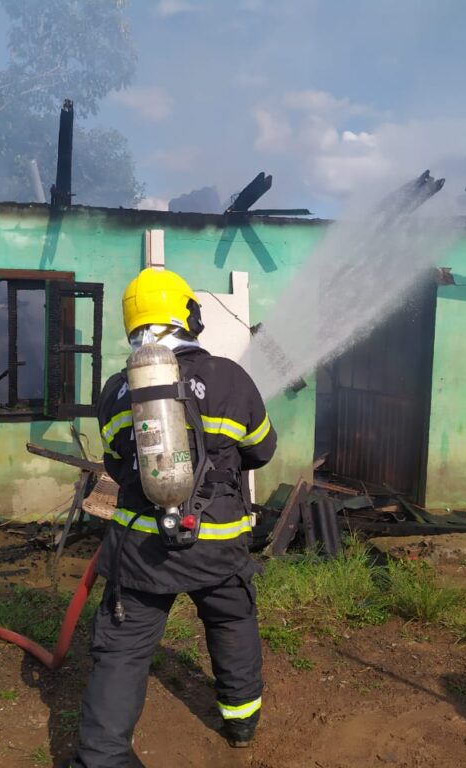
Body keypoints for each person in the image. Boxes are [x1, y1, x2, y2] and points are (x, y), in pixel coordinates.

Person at [66, 267, 277, 768]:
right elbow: (262, 449)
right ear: (188, 315)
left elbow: (118, 464)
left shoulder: (118, 390)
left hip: (141, 552)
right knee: (231, 620)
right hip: (218, 544)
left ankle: (101, 758)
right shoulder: (229, 376)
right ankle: (241, 721)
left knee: (122, 651)